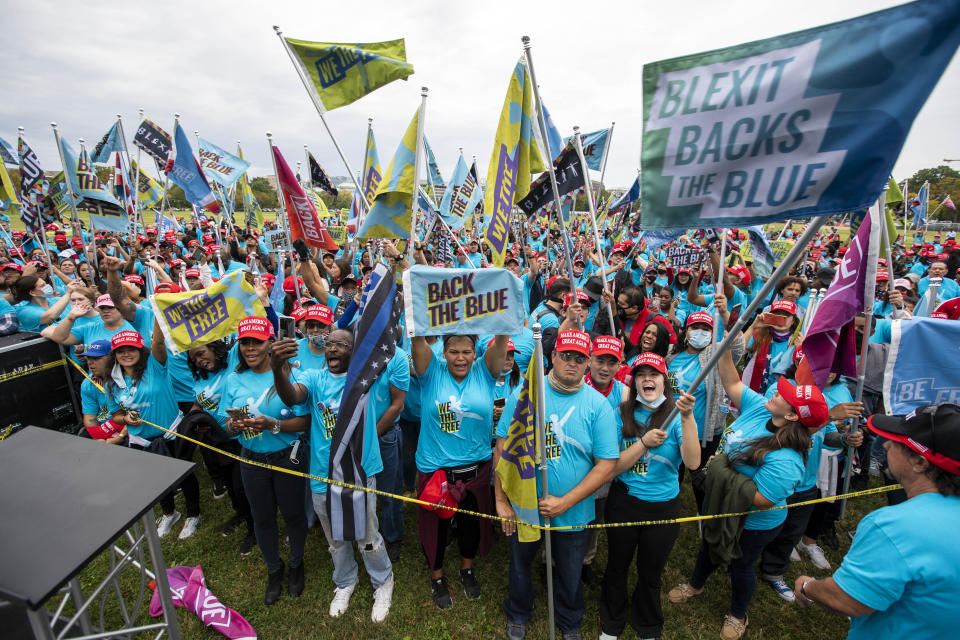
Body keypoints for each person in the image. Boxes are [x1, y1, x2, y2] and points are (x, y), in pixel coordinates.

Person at [668, 344, 830, 640]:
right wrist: (726, 348)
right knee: (709, 547)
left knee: (741, 565)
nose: (776, 393)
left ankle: (738, 614)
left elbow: (763, 499)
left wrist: (719, 472)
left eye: (784, 396)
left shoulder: (787, 459)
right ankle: (695, 584)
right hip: (722, 507)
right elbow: (731, 381)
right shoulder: (760, 407)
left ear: (793, 417)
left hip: (753, 524)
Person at [794, 404, 960, 640]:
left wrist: (806, 586)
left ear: (920, 462)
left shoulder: (893, 527)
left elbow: (847, 599)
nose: (887, 444)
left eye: (899, 441)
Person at [495, 330, 619, 640]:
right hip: (526, 505)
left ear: (588, 363)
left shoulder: (597, 405)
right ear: (552, 357)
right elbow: (502, 448)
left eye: (580, 358)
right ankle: (519, 612)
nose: (572, 364)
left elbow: (607, 464)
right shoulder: (525, 396)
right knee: (521, 564)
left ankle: (569, 620)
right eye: (566, 356)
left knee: (570, 570)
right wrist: (501, 500)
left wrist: (566, 502)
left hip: (573, 512)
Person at [271, 328, 397, 622]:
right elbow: (292, 397)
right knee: (334, 537)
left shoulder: (365, 380)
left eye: (342, 344)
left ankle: (383, 581)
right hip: (322, 474)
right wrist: (278, 368)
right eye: (330, 344)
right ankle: (345, 580)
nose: (333, 349)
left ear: (354, 351)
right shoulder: (314, 377)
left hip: (360, 471)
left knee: (367, 534)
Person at [600, 353, 699, 640]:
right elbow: (611, 467)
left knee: (650, 572)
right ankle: (611, 621)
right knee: (617, 566)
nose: (647, 379)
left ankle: (648, 624)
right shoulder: (620, 413)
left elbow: (692, 463)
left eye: (653, 374)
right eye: (640, 374)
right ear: (633, 381)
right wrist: (643, 443)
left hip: (663, 508)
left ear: (664, 381)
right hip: (624, 503)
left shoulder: (677, 415)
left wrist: (688, 417)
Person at [410, 331, 509, 608]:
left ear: (476, 353)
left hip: (475, 469)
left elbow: (501, 339)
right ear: (444, 352)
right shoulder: (431, 372)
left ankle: (467, 568)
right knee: (436, 529)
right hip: (436, 470)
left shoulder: (485, 372)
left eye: (467, 351)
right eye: (454, 351)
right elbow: (417, 338)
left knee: (471, 526)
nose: (460, 358)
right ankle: (437, 575)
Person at [219, 316, 310, 605]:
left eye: (256, 342)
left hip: (287, 457)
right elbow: (225, 421)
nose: (249, 348)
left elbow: (306, 421)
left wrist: (274, 425)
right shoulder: (233, 378)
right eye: (244, 342)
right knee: (263, 516)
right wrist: (233, 426)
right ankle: (274, 568)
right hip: (252, 459)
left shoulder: (291, 372)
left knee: (293, 514)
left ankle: (296, 563)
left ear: (270, 343)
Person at [103, 328, 197, 536]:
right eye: (121, 351)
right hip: (141, 440)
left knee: (185, 477)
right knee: (157, 480)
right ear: (114, 355)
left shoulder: (155, 367)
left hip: (171, 434)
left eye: (131, 349)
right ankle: (170, 514)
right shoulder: (112, 383)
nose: (126, 354)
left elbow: (158, 342)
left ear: (141, 350)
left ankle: (193, 515)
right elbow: (115, 414)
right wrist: (125, 419)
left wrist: (156, 310)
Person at [182, 338, 256, 555]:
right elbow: (199, 403)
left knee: (241, 485)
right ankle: (240, 513)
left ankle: (254, 529)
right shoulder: (201, 379)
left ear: (214, 348)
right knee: (230, 485)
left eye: (201, 353)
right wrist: (193, 418)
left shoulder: (233, 359)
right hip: (215, 439)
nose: (199, 360)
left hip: (239, 436)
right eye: (194, 358)